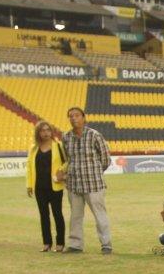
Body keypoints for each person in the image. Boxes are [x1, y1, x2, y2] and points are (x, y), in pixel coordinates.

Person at [61, 107, 113, 254]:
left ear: (84, 118)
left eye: (77, 115)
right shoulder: (66, 137)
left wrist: (95, 172)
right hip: (74, 184)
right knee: (75, 216)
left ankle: (106, 244)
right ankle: (75, 245)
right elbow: (67, 159)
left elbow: (105, 159)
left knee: (100, 215)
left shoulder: (95, 135)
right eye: (70, 116)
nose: (73, 118)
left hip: (94, 184)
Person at [26, 120, 67, 252]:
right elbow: (30, 168)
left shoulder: (58, 146)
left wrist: (61, 171)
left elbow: (67, 162)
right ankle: (46, 243)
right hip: (39, 188)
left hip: (55, 186)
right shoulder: (33, 149)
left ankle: (60, 243)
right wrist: (29, 185)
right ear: (38, 133)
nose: (46, 133)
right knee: (43, 215)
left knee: (57, 215)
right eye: (43, 130)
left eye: (48, 130)